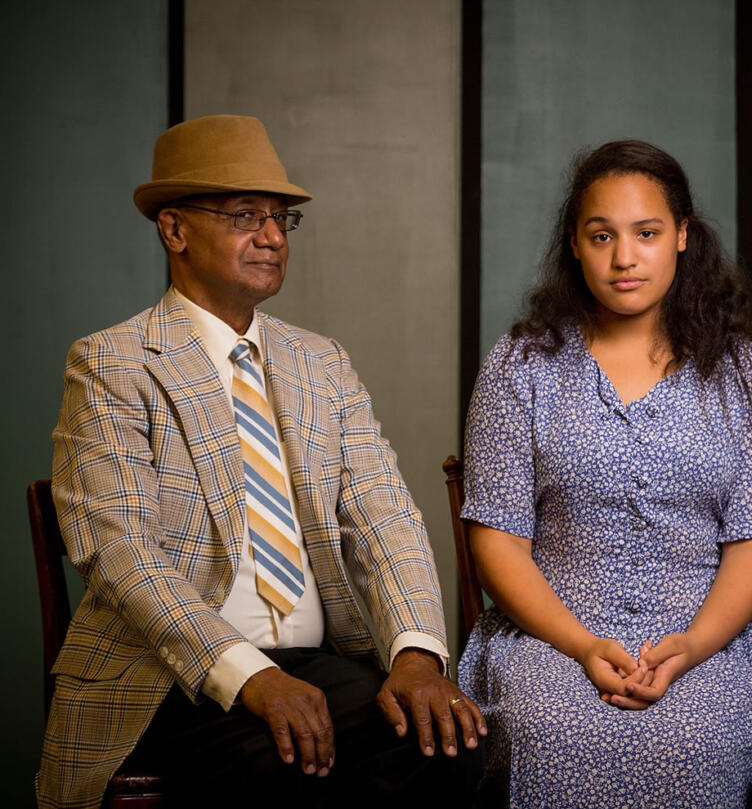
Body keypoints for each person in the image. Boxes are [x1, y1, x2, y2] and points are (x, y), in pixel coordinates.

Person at [38, 114, 484, 809]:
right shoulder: (112, 364)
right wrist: (252, 676)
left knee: (457, 741)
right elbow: (122, 551)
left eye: (281, 219)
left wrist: (417, 655)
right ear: (175, 230)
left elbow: (384, 515)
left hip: (322, 667)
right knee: (297, 762)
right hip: (171, 681)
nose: (272, 236)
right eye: (245, 214)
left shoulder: (321, 364)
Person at [457, 139, 752, 807]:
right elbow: (495, 538)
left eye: (646, 233)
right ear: (575, 245)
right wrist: (582, 644)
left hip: (705, 633)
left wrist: (693, 645)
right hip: (552, 630)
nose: (624, 257)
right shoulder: (519, 364)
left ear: (681, 237)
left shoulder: (747, 373)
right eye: (601, 235)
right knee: (550, 729)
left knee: (700, 735)